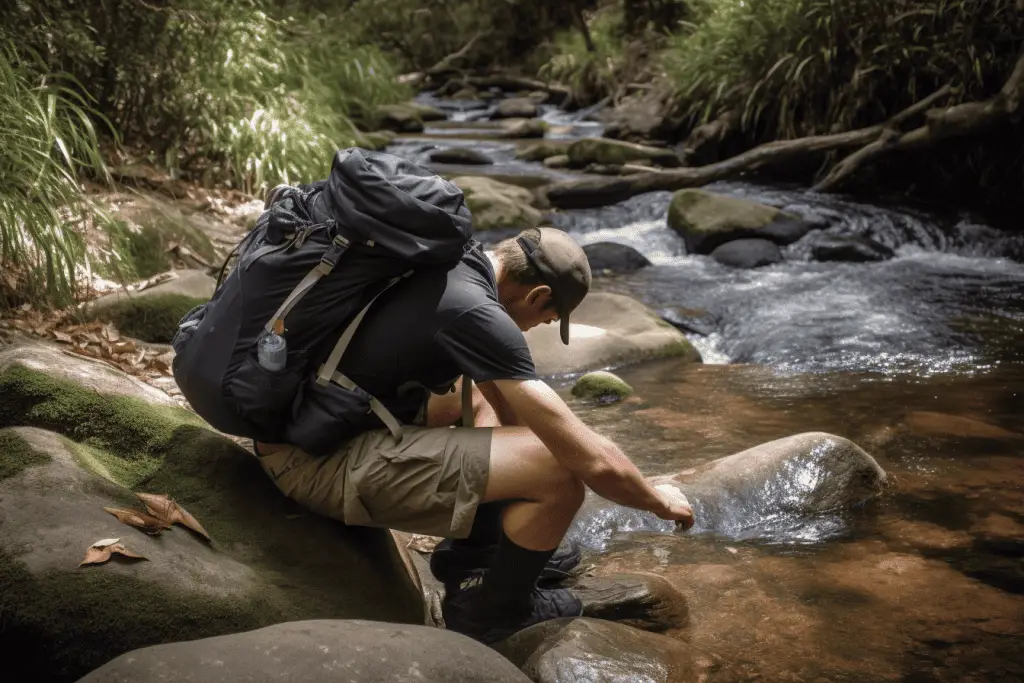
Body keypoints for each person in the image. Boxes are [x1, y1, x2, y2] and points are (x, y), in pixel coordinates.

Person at [253, 226, 694, 643]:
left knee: (482, 388)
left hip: (303, 427)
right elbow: (593, 461)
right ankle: (493, 613)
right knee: (560, 471)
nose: (536, 328)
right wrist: (657, 500)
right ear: (537, 294)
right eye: (546, 318)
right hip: (315, 463)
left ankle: (476, 556)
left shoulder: (454, 266)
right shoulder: (476, 313)